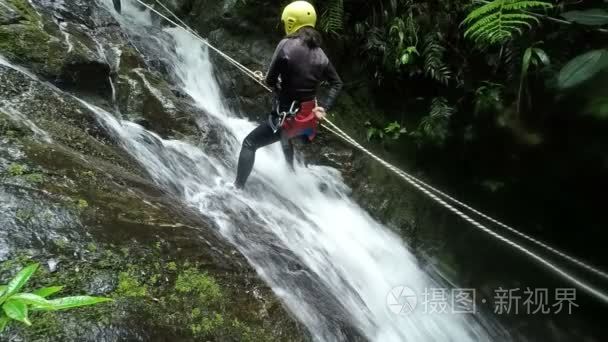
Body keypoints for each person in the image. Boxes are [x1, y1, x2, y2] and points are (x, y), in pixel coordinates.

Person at [234, 0, 343, 189]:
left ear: (292, 22)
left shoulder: (286, 45)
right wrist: (323, 107)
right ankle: (291, 174)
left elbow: (270, 81)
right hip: (307, 122)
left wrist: (271, 82)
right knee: (285, 137)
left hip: (286, 118)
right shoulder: (321, 54)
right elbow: (337, 83)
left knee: (249, 143)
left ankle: (237, 188)